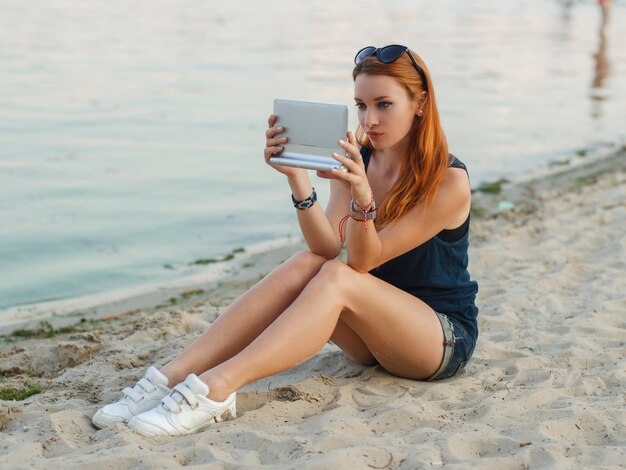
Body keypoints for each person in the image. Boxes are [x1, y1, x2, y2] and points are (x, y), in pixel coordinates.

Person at [92, 44, 479, 437]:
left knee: (338, 277)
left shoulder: (448, 181)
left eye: (384, 105)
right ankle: (170, 377)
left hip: (437, 339)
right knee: (306, 264)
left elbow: (361, 263)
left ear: (420, 103)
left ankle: (217, 388)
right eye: (361, 105)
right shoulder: (359, 157)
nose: (370, 119)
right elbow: (326, 248)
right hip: (372, 336)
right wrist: (298, 179)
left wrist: (363, 197)